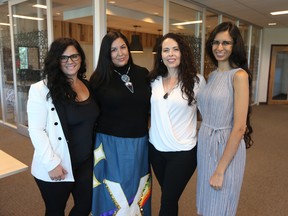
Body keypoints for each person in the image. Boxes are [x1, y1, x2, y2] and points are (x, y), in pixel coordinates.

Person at [27, 37, 99, 216]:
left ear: (81, 58)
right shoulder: (41, 89)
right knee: (55, 211)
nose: (70, 61)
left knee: (85, 206)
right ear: (56, 60)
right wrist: (52, 164)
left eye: (74, 56)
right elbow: (36, 129)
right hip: (58, 164)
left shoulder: (87, 85)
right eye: (64, 57)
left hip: (85, 163)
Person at [89, 31, 151, 216]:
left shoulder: (143, 74)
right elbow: (91, 114)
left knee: (138, 189)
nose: (120, 53)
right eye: (113, 49)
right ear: (107, 54)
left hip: (140, 143)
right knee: (113, 190)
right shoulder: (98, 79)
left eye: (123, 47)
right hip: (110, 145)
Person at [196, 22, 253, 216]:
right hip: (206, 144)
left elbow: (239, 127)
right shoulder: (212, 75)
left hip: (225, 146)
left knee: (220, 206)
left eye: (226, 43)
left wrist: (220, 169)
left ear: (234, 45)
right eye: (216, 42)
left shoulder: (239, 76)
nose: (219, 48)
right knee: (207, 202)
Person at [149, 33, 206, 216]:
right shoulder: (153, 81)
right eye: (166, 50)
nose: (170, 54)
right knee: (169, 197)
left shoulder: (197, 81)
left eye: (175, 49)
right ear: (160, 55)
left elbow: (207, 115)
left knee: (167, 200)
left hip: (183, 153)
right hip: (156, 150)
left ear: (183, 53)